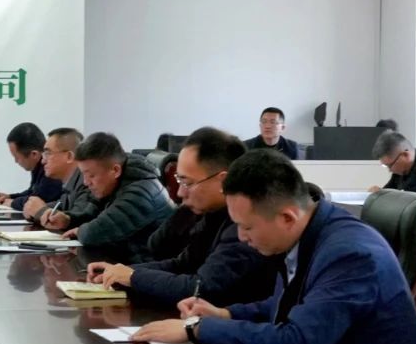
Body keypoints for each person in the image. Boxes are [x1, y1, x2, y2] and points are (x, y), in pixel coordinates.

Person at [133, 149, 416, 344]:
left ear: (286, 217)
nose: (241, 237)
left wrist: (197, 329)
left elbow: (297, 341)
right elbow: (288, 304)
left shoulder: (351, 255)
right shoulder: (313, 234)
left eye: (247, 226)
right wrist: (225, 314)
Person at [86, 127, 274, 308]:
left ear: (223, 181)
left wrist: (133, 277)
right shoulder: (212, 212)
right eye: (179, 180)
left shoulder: (245, 224)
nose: (180, 192)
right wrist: (122, 270)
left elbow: (201, 288)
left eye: (187, 183)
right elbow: (181, 263)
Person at [41, 132, 174, 262]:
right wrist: (68, 220)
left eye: (91, 175)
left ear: (115, 170)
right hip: (126, 263)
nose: (86, 182)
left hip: (148, 268)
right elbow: (91, 215)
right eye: (83, 175)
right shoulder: (115, 183)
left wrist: (81, 231)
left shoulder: (142, 192)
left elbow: (98, 231)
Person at [29, 127, 94, 225]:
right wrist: (34, 208)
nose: (43, 161)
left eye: (48, 153)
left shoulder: (86, 181)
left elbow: (77, 220)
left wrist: (40, 211)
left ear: (69, 156)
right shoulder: (69, 182)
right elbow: (61, 206)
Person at [0, 122, 62, 213]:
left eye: (17, 157)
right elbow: (33, 192)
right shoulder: (38, 167)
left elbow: (38, 200)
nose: (16, 161)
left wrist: (11, 202)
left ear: (34, 154)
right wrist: (10, 197)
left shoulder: (50, 169)